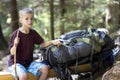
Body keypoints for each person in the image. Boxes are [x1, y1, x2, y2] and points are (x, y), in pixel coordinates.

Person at [8, 8, 61, 80]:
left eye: (31, 18)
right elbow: (12, 52)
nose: (30, 21)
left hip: (29, 63)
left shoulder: (33, 33)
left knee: (45, 68)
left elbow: (43, 44)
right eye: (27, 19)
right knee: (23, 76)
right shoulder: (16, 34)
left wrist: (52, 42)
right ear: (21, 20)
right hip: (16, 64)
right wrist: (15, 44)